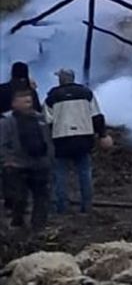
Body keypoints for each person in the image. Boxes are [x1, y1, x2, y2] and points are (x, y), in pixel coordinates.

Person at [45, 68, 110, 214]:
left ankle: (62, 207)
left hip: (61, 140)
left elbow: (48, 121)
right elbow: (97, 116)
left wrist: (47, 140)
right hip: (83, 138)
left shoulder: (52, 97)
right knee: (84, 172)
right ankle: (86, 205)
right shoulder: (86, 93)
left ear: (61, 79)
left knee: (60, 174)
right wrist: (102, 134)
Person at [0, 88, 53, 231]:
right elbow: (3, 144)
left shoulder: (40, 119)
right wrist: (8, 161)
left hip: (39, 165)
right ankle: (18, 224)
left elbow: (47, 139)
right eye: (24, 101)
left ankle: (38, 227)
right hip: (17, 166)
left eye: (29, 101)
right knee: (19, 198)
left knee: (41, 198)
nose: (28, 104)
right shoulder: (7, 122)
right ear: (14, 103)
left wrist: (48, 158)